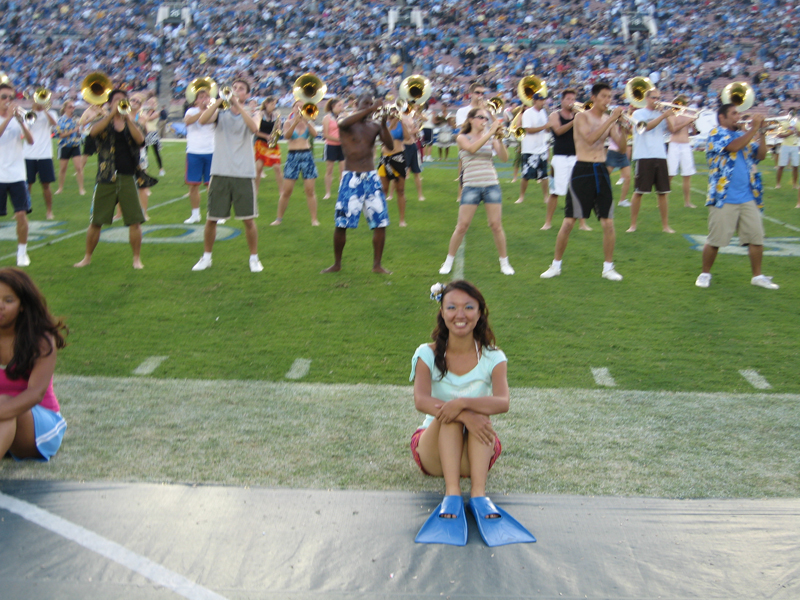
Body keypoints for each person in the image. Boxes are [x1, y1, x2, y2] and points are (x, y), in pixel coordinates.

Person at [410, 280, 534, 547]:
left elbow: (503, 402)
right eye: (452, 307)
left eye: (469, 307)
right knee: (453, 420)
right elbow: (421, 400)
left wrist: (463, 403)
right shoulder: (426, 353)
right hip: (434, 453)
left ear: (480, 313)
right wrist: (463, 413)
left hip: (476, 454)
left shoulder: (494, 356)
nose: (460, 315)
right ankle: (452, 493)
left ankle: (478, 494)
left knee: (478, 416)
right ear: (442, 312)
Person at [540, 82, 627, 281]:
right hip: (582, 170)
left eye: (609, 97)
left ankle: (608, 268)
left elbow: (621, 148)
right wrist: (612, 119)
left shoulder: (609, 119)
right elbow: (590, 139)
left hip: (602, 170)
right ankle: (555, 265)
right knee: (569, 221)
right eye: (604, 96)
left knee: (608, 222)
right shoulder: (582, 117)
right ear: (594, 98)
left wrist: (623, 128)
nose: (608, 100)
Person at [696, 106, 778, 290]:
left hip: (749, 196)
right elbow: (733, 147)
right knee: (715, 240)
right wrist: (753, 129)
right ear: (721, 117)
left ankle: (757, 276)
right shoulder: (716, 133)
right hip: (723, 196)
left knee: (756, 239)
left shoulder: (744, 135)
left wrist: (762, 133)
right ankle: (704, 273)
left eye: (738, 113)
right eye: (733, 114)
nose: (738, 117)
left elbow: (761, 155)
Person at [192, 79, 263, 272]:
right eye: (234, 88)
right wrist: (218, 100)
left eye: (241, 89)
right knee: (212, 219)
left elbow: (254, 128)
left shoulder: (254, 113)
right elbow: (202, 120)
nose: (236, 91)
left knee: (248, 220)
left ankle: (254, 258)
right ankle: (206, 257)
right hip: (220, 171)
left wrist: (237, 104)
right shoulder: (220, 113)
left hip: (243, 173)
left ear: (247, 95)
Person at [0, 268, 68, 463]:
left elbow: (35, 393)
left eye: (8, 300)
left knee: (4, 402)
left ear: (22, 305)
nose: (0, 306)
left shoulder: (41, 340)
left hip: (39, 424)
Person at [74, 89, 146, 270]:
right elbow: (92, 133)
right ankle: (87, 257)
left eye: (123, 101)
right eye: (117, 101)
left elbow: (141, 140)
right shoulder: (103, 122)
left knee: (135, 221)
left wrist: (128, 119)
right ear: (109, 103)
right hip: (106, 176)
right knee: (96, 221)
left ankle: (136, 259)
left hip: (128, 176)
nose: (120, 103)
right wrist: (110, 115)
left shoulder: (131, 123)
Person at [321, 94, 393, 274]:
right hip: (351, 177)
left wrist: (383, 123)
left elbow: (390, 145)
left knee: (380, 223)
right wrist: (371, 108)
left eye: (371, 104)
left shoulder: (374, 126)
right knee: (342, 223)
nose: (370, 107)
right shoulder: (347, 122)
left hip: (371, 176)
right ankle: (337, 263)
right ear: (357, 105)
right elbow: (342, 124)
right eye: (365, 104)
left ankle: (377, 265)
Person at [438, 107, 514, 276]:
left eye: (486, 119)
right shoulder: (462, 137)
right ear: (471, 119)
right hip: (471, 185)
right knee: (462, 226)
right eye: (481, 118)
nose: (484, 121)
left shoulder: (490, 137)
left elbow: (504, 158)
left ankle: (504, 262)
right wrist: (490, 133)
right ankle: (448, 261)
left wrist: (498, 138)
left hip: (491, 184)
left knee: (496, 225)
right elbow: (472, 149)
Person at [627, 88, 676, 233]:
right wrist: (662, 116)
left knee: (663, 192)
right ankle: (633, 225)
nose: (657, 101)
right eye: (654, 98)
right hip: (643, 155)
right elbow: (646, 128)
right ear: (647, 99)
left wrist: (666, 115)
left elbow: (672, 130)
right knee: (639, 191)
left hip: (660, 154)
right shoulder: (638, 113)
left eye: (658, 98)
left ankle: (666, 226)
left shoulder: (661, 113)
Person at [544, 89, 591, 231]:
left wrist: (582, 118)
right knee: (555, 192)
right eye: (568, 99)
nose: (571, 102)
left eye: (573, 100)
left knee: (579, 190)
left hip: (576, 157)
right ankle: (548, 222)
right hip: (560, 157)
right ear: (562, 100)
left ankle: (582, 223)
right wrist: (574, 121)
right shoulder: (554, 115)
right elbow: (558, 131)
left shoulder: (578, 116)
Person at [0, 82, 35, 268]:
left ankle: (22, 252)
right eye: (4, 97)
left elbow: (30, 141)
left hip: (17, 175)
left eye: (10, 97)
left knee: (21, 214)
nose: (8, 101)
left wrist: (21, 121)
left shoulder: (18, 117)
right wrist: (9, 118)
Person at [271, 101, 319, 227]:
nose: (299, 108)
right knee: (287, 191)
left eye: (302, 106)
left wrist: (307, 121)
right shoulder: (288, 122)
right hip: (293, 156)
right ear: (293, 108)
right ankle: (279, 218)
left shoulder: (308, 122)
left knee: (310, 190)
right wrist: (296, 122)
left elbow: (315, 135)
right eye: (297, 105)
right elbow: (287, 136)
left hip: (306, 155)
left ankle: (314, 219)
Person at [183, 87, 215, 224]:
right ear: (195, 101)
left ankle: (214, 213)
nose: (204, 100)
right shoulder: (190, 111)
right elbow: (188, 121)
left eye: (206, 97)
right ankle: (195, 214)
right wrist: (202, 111)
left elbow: (210, 120)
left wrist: (207, 110)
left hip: (211, 151)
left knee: (212, 186)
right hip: (194, 152)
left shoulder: (214, 111)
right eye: (201, 97)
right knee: (193, 186)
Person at [23, 95, 58, 220]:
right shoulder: (27, 114)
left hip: (45, 155)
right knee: (27, 185)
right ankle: (23, 210)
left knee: (46, 185)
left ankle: (49, 211)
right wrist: (33, 111)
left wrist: (44, 110)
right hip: (29, 154)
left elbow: (55, 124)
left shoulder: (51, 113)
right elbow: (27, 127)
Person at [516, 92, 550, 205]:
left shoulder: (543, 112)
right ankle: (521, 197)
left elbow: (546, 128)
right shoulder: (528, 113)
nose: (543, 102)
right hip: (530, 148)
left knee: (544, 175)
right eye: (541, 100)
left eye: (543, 100)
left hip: (542, 147)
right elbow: (528, 130)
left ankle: (546, 197)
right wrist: (544, 127)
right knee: (526, 175)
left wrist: (549, 128)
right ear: (535, 101)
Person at [666, 95, 698, 209]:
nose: (683, 106)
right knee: (670, 174)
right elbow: (673, 129)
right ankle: (663, 200)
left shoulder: (688, 115)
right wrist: (688, 120)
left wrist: (694, 122)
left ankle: (687, 202)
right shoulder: (671, 115)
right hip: (674, 144)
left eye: (685, 103)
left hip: (686, 145)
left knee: (687, 174)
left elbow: (694, 132)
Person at [377, 112, 408, 227]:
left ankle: (402, 219)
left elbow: (408, 137)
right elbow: (382, 138)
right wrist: (390, 124)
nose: (394, 115)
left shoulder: (400, 123)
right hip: (385, 158)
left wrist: (402, 123)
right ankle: (381, 217)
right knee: (383, 189)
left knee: (400, 190)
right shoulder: (384, 124)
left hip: (399, 157)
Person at [54, 100, 86, 197]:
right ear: (65, 109)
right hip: (64, 146)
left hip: (75, 145)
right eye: (70, 107)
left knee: (79, 168)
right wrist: (73, 130)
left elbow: (80, 132)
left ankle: (81, 188)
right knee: (63, 169)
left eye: (73, 107)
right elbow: (60, 135)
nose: (72, 109)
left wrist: (79, 131)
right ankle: (60, 188)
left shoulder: (76, 119)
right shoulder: (60, 120)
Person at [254, 96, 283, 195]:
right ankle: (255, 191)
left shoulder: (276, 115)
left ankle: (281, 191)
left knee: (277, 168)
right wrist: (267, 136)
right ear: (266, 104)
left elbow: (278, 129)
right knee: (259, 168)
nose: (274, 106)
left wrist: (278, 129)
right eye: (272, 104)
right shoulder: (259, 114)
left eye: (275, 104)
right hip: (261, 143)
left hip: (272, 144)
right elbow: (256, 131)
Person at [321, 97, 344, 200]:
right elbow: (325, 134)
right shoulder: (327, 118)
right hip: (331, 145)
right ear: (333, 106)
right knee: (329, 170)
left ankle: (342, 191)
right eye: (339, 105)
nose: (341, 108)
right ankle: (327, 192)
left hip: (342, 146)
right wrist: (338, 139)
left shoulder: (343, 116)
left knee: (343, 170)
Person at [403, 109, 425, 202]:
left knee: (417, 172)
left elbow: (415, 134)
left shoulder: (411, 117)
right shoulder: (400, 118)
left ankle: (420, 195)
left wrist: (418, 127)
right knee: (401, 173)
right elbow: (405, 134)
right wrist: (414, 130)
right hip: (404, 146)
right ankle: (400, 195)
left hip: (413, 145)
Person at [775, 111, 798, 190]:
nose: (792, 116)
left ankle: (794, 184)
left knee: (795, 166)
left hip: (795, 145)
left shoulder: (797, 123)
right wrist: (788, 133)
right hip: (785, 146)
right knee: (781, 166)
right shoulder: (783, 123)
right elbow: (779, 135)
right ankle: (778, 184)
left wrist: (796, 131)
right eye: (790, 115)